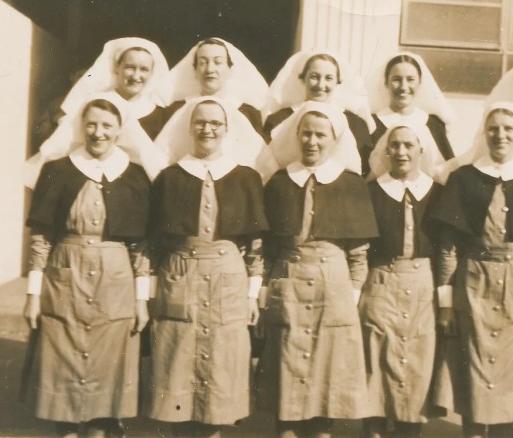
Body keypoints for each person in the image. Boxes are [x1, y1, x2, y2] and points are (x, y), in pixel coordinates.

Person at [22, 95, 155, 438]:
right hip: (63, 281)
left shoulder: (135, 176)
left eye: (107, 125)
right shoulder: (57, 170)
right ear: (81, 127)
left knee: (106, 377)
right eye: (91, 124)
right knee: (61, 373)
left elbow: (141, 247)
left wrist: (141, 300)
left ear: (120, 130)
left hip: (116, 285)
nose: (98, 133)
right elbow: (41, 238)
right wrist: (33, 294)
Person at [429, 102, 513, 438]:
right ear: (484, 133)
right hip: (473, 284)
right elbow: (448, 248)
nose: (500, 135)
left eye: (508, 128)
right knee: (472, 372)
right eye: (493, 128)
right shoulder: (464, 178)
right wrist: (446, 305)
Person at [144, 97, 269, 438]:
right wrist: (150, 294)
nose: (207, 129)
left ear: (227, 129)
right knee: (177, 369)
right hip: (179, 275)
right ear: (189, 128)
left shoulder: (245, 177)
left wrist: (252, 295)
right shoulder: (170, 177)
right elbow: (152, 243)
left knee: (220, 373)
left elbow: (255, 246)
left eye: (215, 123)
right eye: (200, 122)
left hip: (228, 281)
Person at [255, 101, 378, 438]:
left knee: (326, 382)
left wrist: (351, 297)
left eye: (320, 135)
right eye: (306, 133)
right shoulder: (280, 182)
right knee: (286, 380)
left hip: (334, 288)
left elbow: (358, 255)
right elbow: (267, 248)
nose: (312, 141)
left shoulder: (350, 183)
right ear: (296, 136)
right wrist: (265, 294)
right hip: (288, 283)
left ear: (334, 139)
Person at [359, 122, 447, 438]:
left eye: (408, 145)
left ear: (421, 150)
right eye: (394, 145)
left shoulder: (437, 193)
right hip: (380, 282)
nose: (401, 152)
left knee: (416, 363)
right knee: (375, 361)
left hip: (423, 285)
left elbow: (446, 250)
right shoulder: (371, 192)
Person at [23, 38, 171, 187]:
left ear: (152, 73)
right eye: (129, 67)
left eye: (144, 69)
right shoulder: (94, 104)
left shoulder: (159, 114)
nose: (135, 76)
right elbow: (61, 147)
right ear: (116, 68)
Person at [262, 50, 374, 171]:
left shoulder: (355, 124)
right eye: (314, 77)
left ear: (337, 82)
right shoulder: (279, 119)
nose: (320, 85)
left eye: (328, 78)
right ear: (303, 78)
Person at [164, 37, 268, 137]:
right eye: (202, 63)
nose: (209, 69)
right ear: (195, 70)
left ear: (230, 70)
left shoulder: (249, 113)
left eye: (218, 62)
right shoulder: (175, 110)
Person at [366, 52, 456, 162]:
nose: (403, 87)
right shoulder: (371, 124)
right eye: (396, 79)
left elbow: (448, 167)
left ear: (420, 83)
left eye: (410, 79)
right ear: (386, 82)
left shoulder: (434, 124)